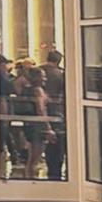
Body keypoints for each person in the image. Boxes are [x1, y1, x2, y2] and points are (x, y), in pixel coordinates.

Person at [15, 67, 54, 180]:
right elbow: (41, 109)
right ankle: (32, 180)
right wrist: (48, 127)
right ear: (37, 78)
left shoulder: (27, 89)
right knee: (35, 159)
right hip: (39, 126)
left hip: (30, 125)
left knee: (31, 157)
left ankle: (29, 178)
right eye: (43, 76)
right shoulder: (38, 90)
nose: (45, 79)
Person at [40, 50, 66, 181]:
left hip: (41, 111)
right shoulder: (60, 74)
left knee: (47, 143)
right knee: (58, 143)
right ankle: (56, 172)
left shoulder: (39, 70)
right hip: (57, 111)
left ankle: (52, 170)